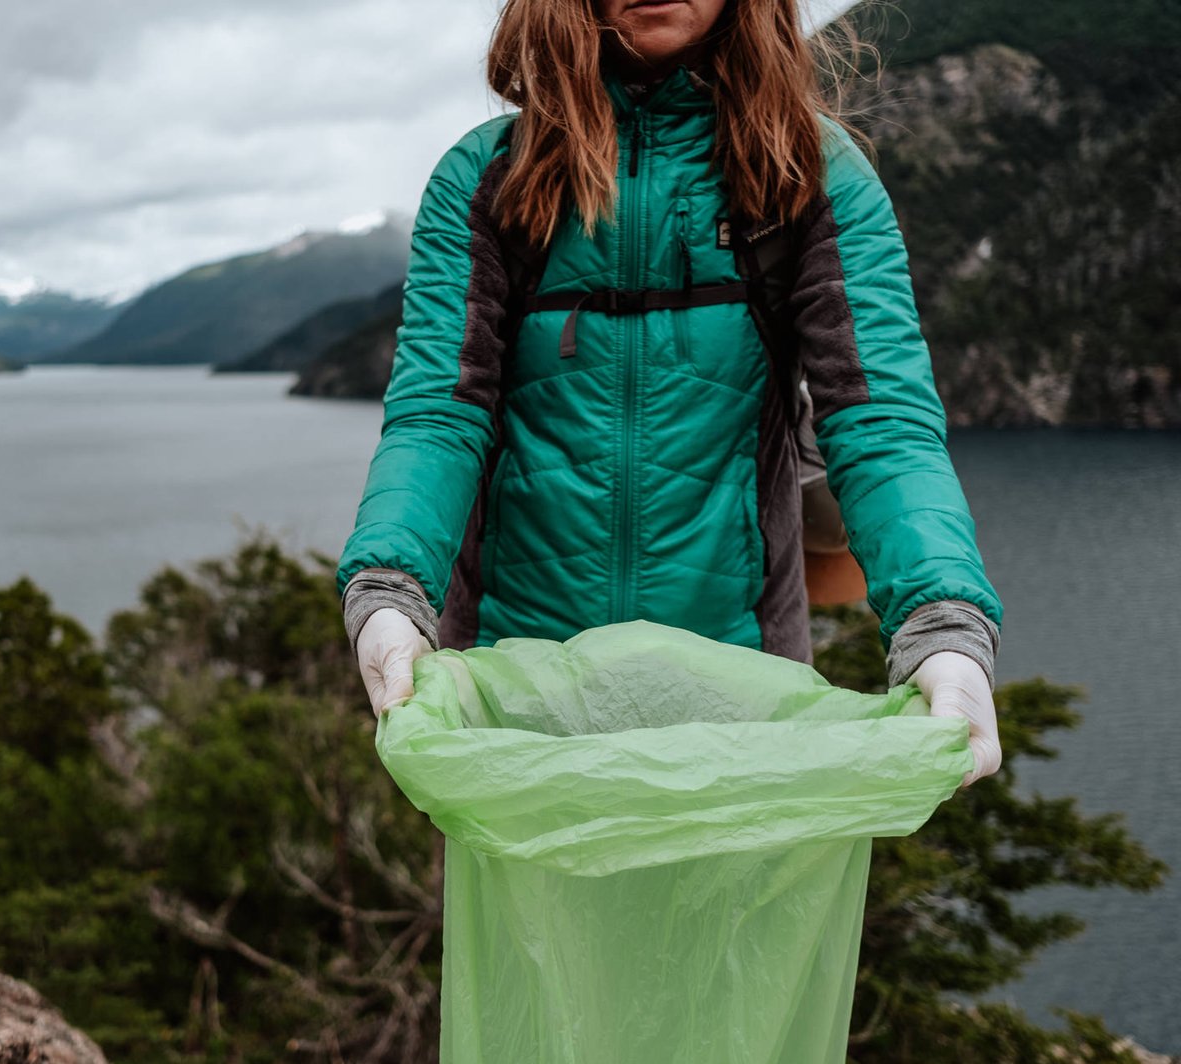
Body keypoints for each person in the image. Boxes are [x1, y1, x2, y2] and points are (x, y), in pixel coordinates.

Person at [336, 0, 1004, 785]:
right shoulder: (486, 181)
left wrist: (942, 626)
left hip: (741, 701)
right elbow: (438, 415)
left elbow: (879, 420)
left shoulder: (811, 177)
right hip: (515, 702)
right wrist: (389, 590)